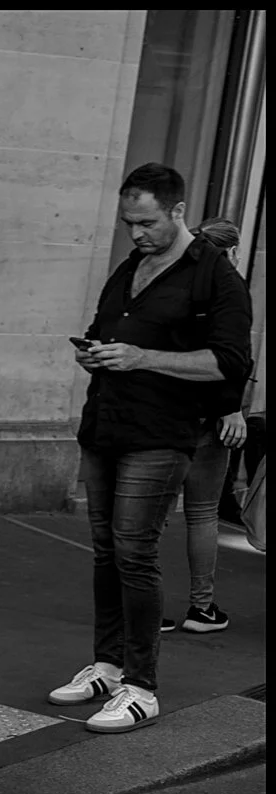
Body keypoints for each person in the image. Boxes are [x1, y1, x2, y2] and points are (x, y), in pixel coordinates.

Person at [56, 163, 252, 732]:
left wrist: (143, 358)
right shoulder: (131, 267)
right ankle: (108, 665)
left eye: (146, 222)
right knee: (105, 552)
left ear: (178, 212)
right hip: (106, 425)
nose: (136, 233)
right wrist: (93, 352)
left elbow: (229, 364)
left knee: (134, 551)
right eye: (128, 223)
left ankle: (142, 687)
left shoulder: (215, 278)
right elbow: (104, 329)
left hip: (162, 433)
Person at [159, 215, 252, 635]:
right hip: (212, 416)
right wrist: (231, 408)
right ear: (232, 251)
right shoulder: (231, 290)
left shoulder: (175, 283)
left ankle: (149, 610)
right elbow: (231, 359)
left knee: (154, 514)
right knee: (202, 513)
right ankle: (201, 608)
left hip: (167, 412)